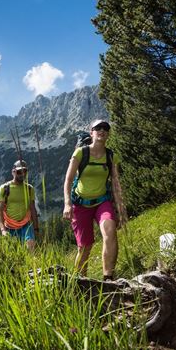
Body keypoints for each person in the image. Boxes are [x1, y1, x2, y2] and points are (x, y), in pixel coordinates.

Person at [63, 119, 128, 281]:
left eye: (105, 128)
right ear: (91, 132)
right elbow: (68, 180)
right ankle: (80, 281)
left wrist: (120, 207)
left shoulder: (111, 156)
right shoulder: (80, 153)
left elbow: (115, 182)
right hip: (80, 204)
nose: (102, 130)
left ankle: (108, 278)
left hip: (102, 202)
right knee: (85, 247)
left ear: (108, 134)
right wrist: (67, 203)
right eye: (97, 127)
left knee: (110, 232)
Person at [0, 159, 39, 251]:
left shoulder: (29, 188)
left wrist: (36, 228)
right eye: (19, 171)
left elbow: (33, 209)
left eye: (25, 171)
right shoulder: (4, 188)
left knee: (30, 248)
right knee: (13, 253)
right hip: (9, 226)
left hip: (26, 224)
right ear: (13, 172)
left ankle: (31, 264)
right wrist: (3, 230)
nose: (22, 174)